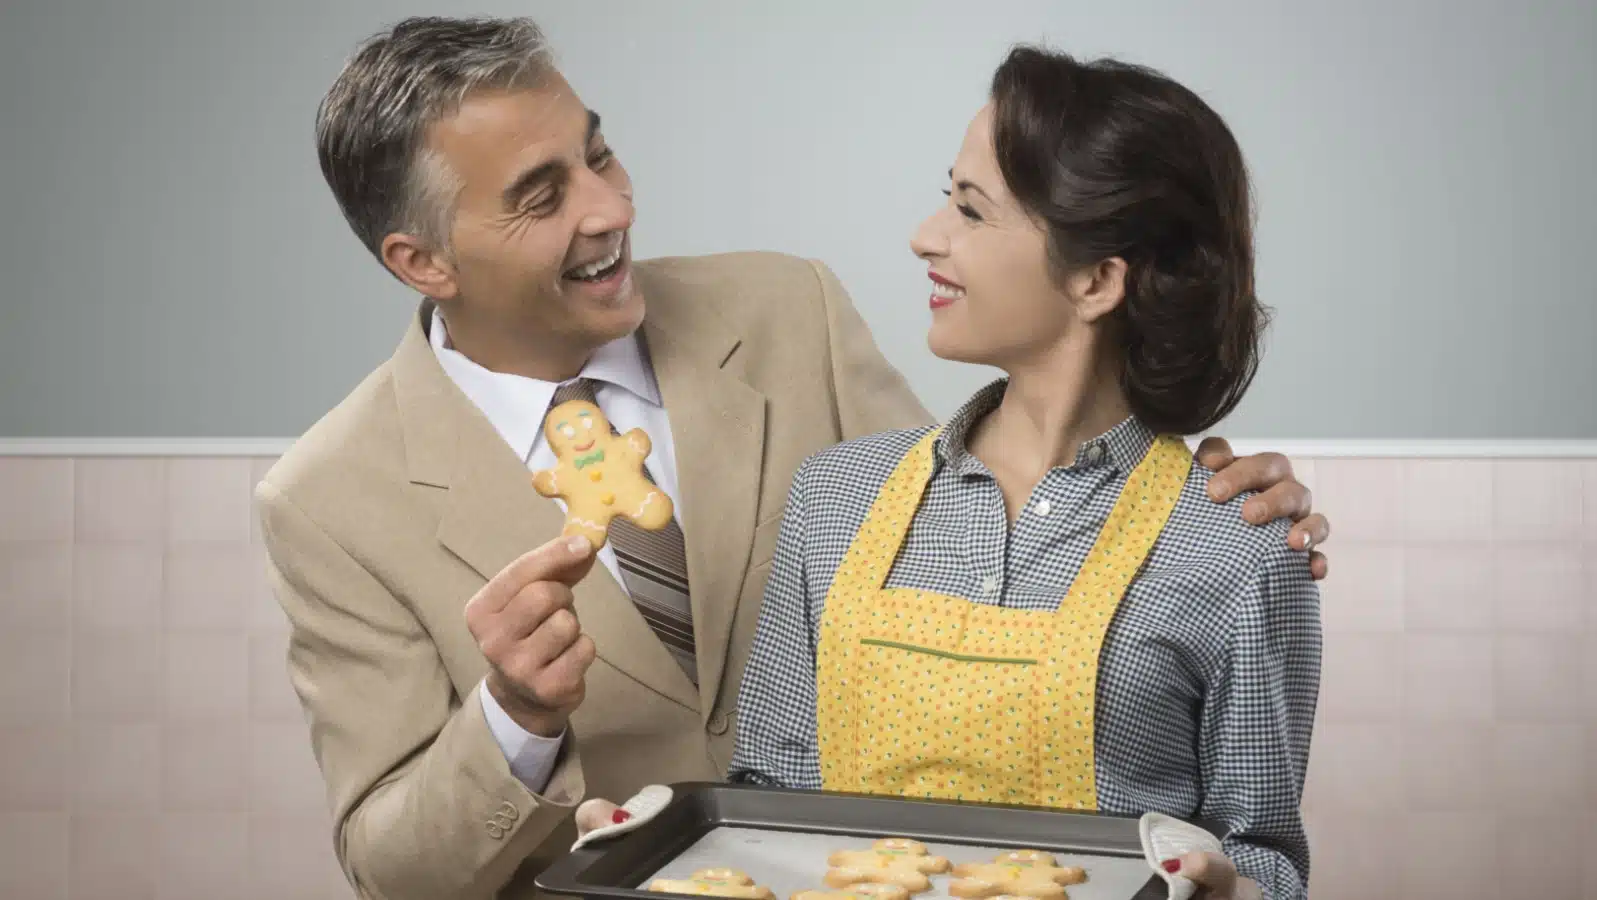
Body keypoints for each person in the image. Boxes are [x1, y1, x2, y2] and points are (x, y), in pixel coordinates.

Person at [254, 16, 1329, 900]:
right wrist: (515, 721)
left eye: (598, 152)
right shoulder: (327, 499)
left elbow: (989, 508)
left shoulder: (786, 309)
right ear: (421, 259)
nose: (612, 207)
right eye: (542, 196)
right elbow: (390, 868)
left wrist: (1186, 497)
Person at [729, 46, 1322, 900]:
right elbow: (765, 806)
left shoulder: (1242, 551)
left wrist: (1228, 889)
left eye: (970, 210)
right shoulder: (835, 499)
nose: (925, 235)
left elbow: (1264, 859)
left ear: (1095, 279)